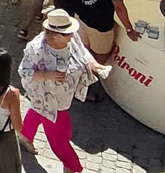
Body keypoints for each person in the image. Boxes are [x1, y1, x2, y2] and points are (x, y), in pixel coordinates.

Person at [18, 10, 108, 172]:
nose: (71, 36)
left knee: (37, 109)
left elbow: (82, 53)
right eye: (67, 34)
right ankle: (72, 167)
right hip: (49, 98)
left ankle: (24, 136)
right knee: (61, 139)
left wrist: (95, 65)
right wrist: (47, 75)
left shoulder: (71, 39)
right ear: (54, 35)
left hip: (63, 95)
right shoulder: (36, 49)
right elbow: (23, 71)